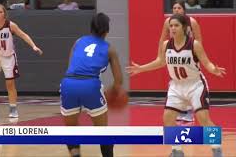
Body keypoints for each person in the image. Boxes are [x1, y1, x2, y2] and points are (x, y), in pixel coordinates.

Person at [127, 14, 225, 157]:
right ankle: (177, 151)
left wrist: (214, 70)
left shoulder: (194, 44)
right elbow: (160, 62)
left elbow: (206, 63)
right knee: (167, 118)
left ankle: (217, 148)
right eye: (171, 26)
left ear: (184, 27)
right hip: (176, 86)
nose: (172, 28)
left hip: (195, 85)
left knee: (203, 118)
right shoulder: (167, 44)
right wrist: (141, 68)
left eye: (176, 25)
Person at [60, 13, 123, 157]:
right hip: (90, 85)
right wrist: (112, 92)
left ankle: (76, 154)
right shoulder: (109, 49)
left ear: (91, 28)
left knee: (71, 129)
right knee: (102, 132)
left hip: (68, 84)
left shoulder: (78, 41)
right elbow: (119, 81)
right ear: (107, 30)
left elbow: (70, 68)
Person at [0, 4, 43, 118]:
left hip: (8, 58)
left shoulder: (10, 25)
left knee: (10, 84)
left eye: (1, 12)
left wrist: (33, 46)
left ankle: (13, 108)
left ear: (4, 13)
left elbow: (24, 35)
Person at [159, 0, 202, 122]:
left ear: (184, 10)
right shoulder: (168, 21)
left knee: (190, 83)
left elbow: (199, 39)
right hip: (175, 52)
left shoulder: (192, 22)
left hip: (188, 53)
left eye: (179, 8)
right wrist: (159, 55)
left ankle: (190, 111)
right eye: (174, 8)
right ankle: (179, 110)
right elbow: (162, 39)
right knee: (177, 80)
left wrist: (197, 55)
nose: (176, 10)